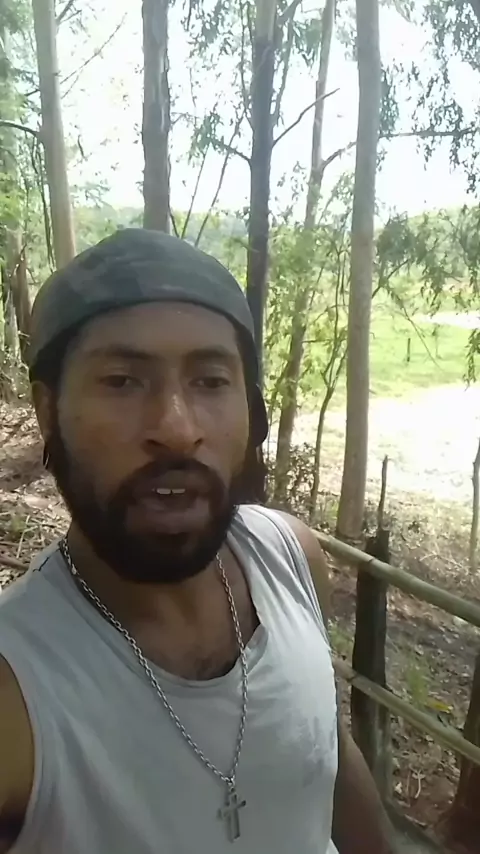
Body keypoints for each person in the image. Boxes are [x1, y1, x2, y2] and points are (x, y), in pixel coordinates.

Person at [0, 229, 394, 854]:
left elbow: (328, 751)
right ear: (49, 411)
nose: (178, 430)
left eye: (211, 382)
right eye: (122, 381)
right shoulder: (18, 688)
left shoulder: (290, 557)